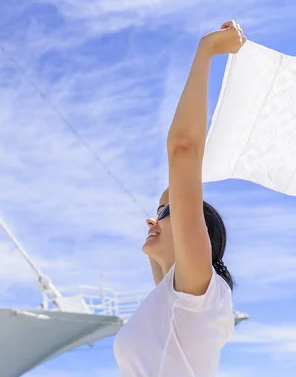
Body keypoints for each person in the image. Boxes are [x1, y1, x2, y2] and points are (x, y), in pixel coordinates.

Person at [113, 20, 245, 377]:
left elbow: (183, 149)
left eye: (167, 213)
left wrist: (207, 50)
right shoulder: (174, 297)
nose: (152, 219)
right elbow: (172, 190)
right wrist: (170, 203)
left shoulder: (196, 294)